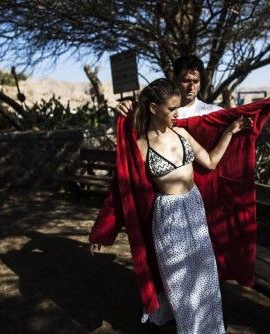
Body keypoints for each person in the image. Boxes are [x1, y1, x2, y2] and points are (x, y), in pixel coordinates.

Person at [91, 78, 246, 333]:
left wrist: (230, 131)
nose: (177, 113)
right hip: (169, 218)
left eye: (177, 108)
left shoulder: (182, 133)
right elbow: (121, 193)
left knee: (205, 279)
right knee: (181, 284)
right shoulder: (141, 147)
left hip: (194, 210)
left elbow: (210, 162)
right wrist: (102, 231)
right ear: (153, 109)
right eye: (171, 109)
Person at [116, 55, 222, 119]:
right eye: (185, 81)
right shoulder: (156, 111)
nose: (191, 87)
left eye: (196, 81)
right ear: (174, 79)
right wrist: (126, 109)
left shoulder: (214, 113)